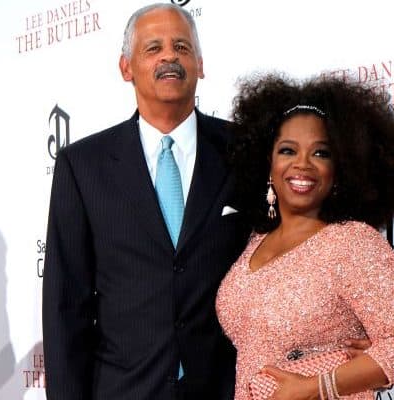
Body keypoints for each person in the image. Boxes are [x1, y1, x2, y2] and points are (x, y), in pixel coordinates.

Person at [42, 4, 251, 399]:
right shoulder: (83, 166)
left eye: (182, 47)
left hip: (226, 389)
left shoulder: (245, 151)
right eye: (153, 48)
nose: (169, 56)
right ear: (126, 68)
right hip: (124, 389)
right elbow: (65, 307)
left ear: (200, 64)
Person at [216, 73, 394, 400]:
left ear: (341, 166)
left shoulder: (352, 243)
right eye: (287, 150)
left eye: (321, 153)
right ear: (267, 162)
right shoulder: (255, 240)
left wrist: (315, 387)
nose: (302, 164)